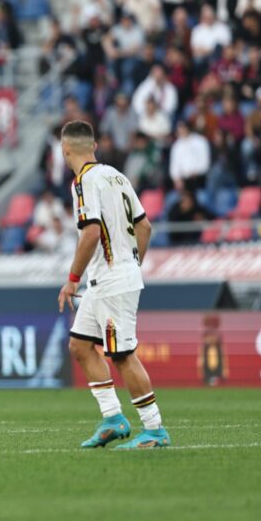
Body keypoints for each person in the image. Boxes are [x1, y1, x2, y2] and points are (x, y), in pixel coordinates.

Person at [56, 120, 170, 449]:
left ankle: (155, 429)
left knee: (122, 356)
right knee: (79, 345)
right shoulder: (116, 176)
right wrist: (133, 264)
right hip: (108, 278)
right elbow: (145, 226)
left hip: (110, 279)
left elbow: (91, 233)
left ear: (65, 151)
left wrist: (71, 280)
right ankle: (113, 419)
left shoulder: (83, 182)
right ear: (93, 146)